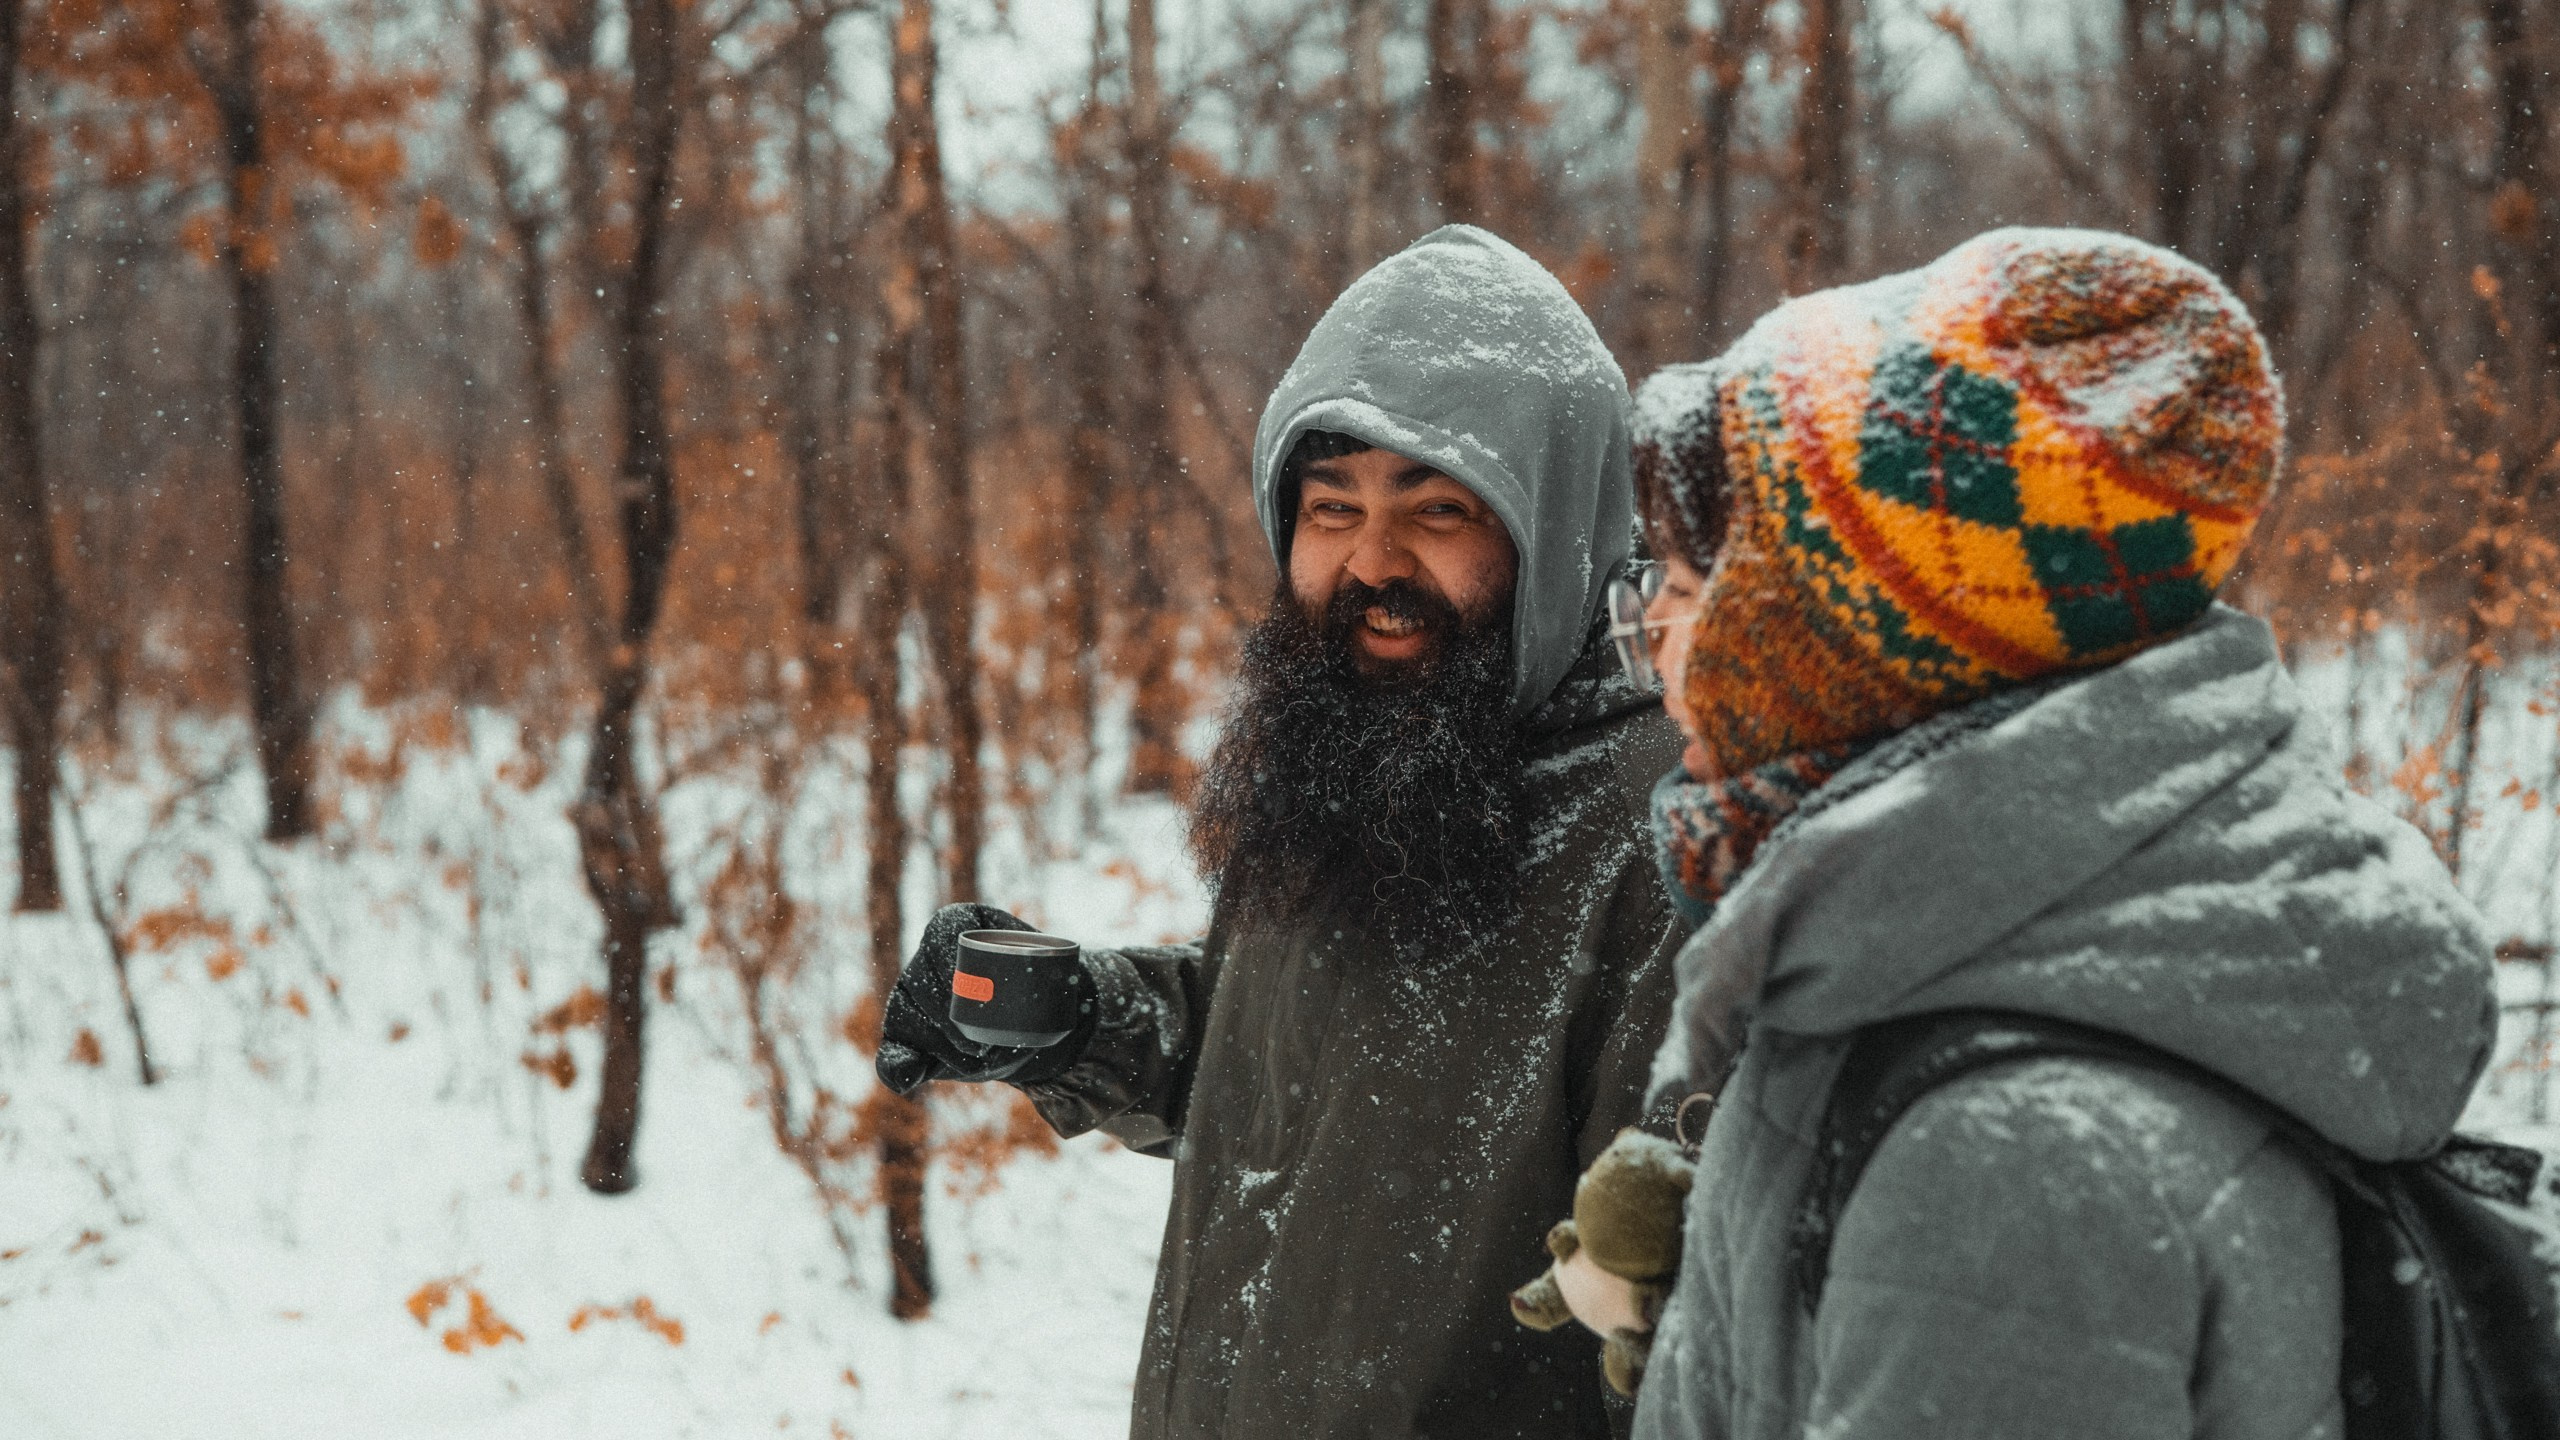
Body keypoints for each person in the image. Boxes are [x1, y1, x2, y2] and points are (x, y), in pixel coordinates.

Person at [1565, 228, 2498, 1438]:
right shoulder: (1991, 991)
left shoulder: (2004, 1174)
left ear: (1835, 660)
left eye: (1687, 595)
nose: (1658, 655)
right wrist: (1731, 1306)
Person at [876, 224, 1689, 1439]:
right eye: (1329, 508)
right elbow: (1312, 1075)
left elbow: (1669, 1321)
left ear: (1556, 525)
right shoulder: (1359, 749)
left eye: (1441, 509)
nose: (1372, 561)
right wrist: (1091, 1022)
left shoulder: (1657, 840)